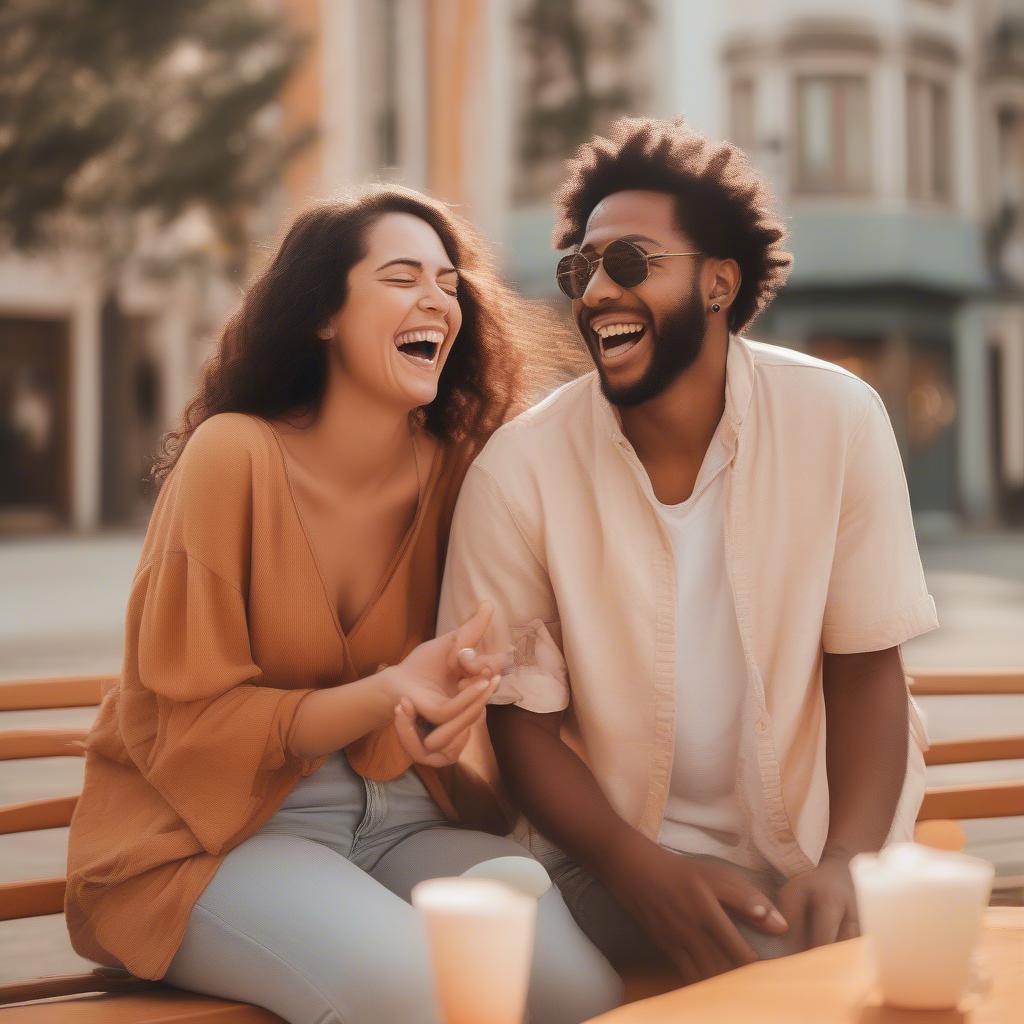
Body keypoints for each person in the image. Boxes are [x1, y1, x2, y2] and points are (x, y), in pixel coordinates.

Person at [65, 185, 622, 1024]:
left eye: (447, 281)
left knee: (579, 995)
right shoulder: (233, 457)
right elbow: (182, 731)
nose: (436, 297)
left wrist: (444, 721)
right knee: (409, 996)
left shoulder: (464, 469)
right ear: (323, 314)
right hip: (214, 838)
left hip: (400, 819)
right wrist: (389, 692)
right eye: (401, 277)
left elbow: (463, 709)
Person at [438, 117, 937, 986]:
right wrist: (638, 870)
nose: (595, 291)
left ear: (718, 283)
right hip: (607, 862)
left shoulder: (838, 419)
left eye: (629, 261)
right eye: (580, 268)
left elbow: (867, 665)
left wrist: (852, 858)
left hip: (817, 845)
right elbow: (519, 724)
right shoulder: (519, 470)